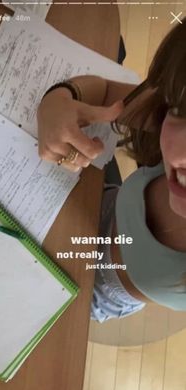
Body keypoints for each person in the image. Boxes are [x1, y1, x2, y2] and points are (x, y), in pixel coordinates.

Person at [37, 20, 186, 322]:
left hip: (94, 291)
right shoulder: (163, 118)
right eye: (179, 111)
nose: (180, 155)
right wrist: (57, 100)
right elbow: (105, 93)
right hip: (96, 206)